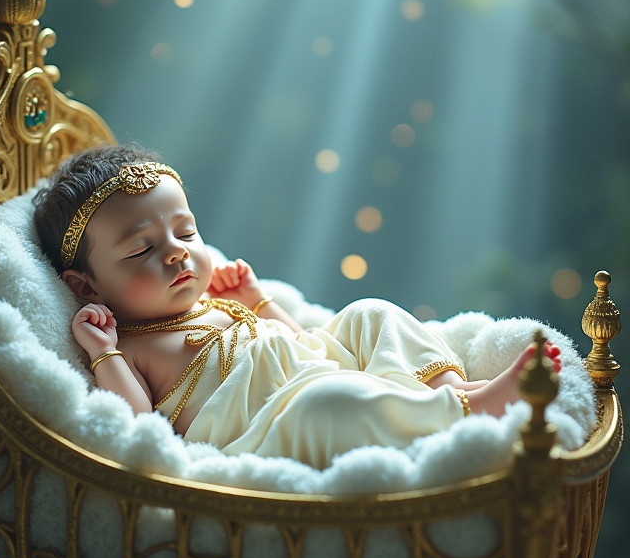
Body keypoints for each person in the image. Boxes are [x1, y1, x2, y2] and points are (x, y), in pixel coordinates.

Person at [33, 144, 562, 470]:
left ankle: (450, 390)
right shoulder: (130, 344)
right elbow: (137, 426)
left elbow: (298, 343)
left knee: (368, 313)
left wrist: (258, 303)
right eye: (141, 250)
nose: (177, 252)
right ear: (87, 288)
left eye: (186, 231)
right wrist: (103, 355)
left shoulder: (215, 304)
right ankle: (462, 415)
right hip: (269, 425)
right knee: (329, 405)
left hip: (313, 367)